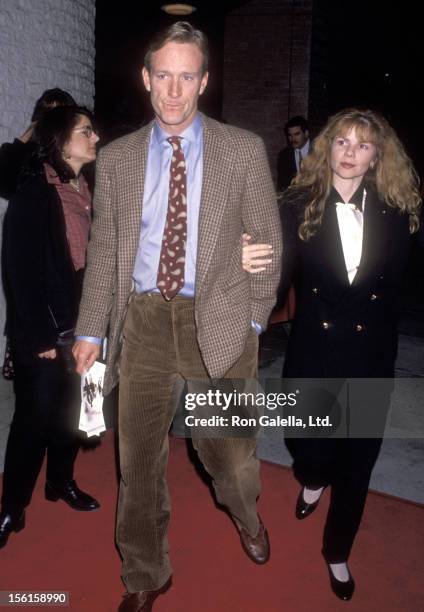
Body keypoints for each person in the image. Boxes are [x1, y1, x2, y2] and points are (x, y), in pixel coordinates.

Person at [72, 21, 282, 612]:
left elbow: (266, 248)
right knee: (136, 464)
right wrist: (92, 330)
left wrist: (253, 323)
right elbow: (106, 255)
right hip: (140, 324)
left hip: (215, 319)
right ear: (145, 79)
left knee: (231, 457)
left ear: (204, 81)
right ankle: (145, 573)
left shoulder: (240, 150)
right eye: (162, 75)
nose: (172, 90)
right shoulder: (115, 159)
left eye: (185, 76)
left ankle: (246, 515)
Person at [242, 108, 421, 600]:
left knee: (358, 461)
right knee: (310, 443)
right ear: (327, 147)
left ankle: (337, 551)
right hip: (316, 349)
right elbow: (273, 279)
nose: (349, 152)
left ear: (376, 155)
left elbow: (402, 285)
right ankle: (312, 475)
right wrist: (246, 317)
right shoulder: (299, 203)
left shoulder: (397, 209)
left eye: (362, 145)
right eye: (341, 141)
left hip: (370, 353)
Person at [0, 105, 101, 549]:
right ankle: (11, 507)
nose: (95, 137)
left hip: (88, 327)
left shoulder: (85, 187)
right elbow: (18, 272)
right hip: (47, 332)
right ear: (61, 141)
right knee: (32, 422)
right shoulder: (36, 191)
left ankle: (60, 482)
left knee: (77, 417)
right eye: (85, 131)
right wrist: (41, 336)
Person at [0, 88, 76, 200]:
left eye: (59, 116)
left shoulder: (75, 151)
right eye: (48, 114)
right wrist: (28, 133)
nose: (53, 121)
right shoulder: (29, 153)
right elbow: (7, 188)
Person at [276, 115, 310, 192]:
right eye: (290, 135)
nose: (293, 139)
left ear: (306, 133)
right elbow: (282, 186)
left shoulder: (318, 150)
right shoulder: (284, 156)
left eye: (297, 134)